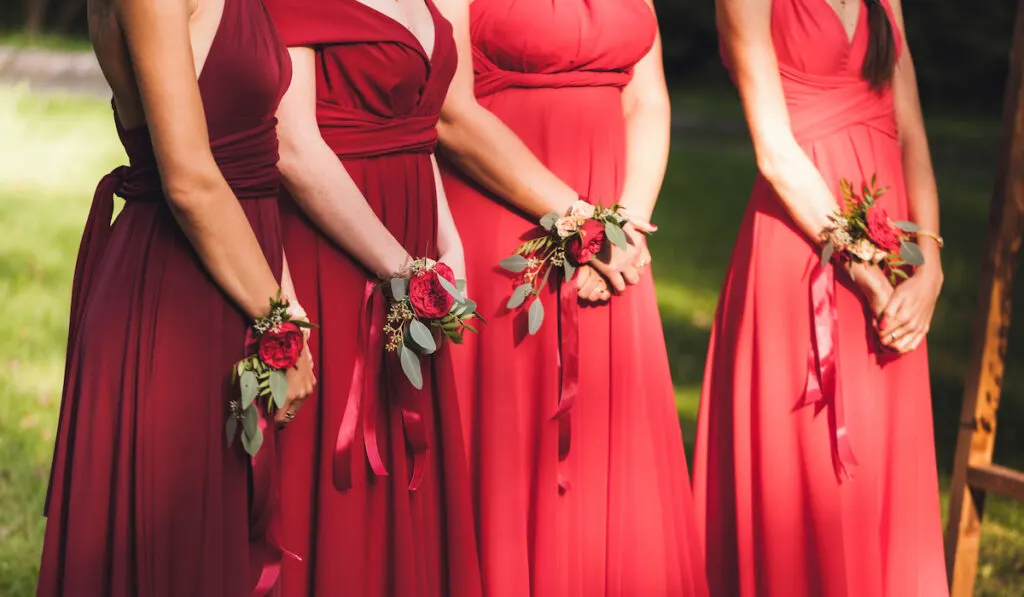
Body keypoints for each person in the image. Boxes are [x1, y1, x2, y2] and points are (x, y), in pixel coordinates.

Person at [37, 0, 316, 594]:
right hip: (173, 293)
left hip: (239, 272)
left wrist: (286, 306)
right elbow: (189, 180)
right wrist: (279, 322)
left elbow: (256, 166)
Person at [432, 0, 709, 593]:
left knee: (607, 453)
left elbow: (647, 98)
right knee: (513, 452)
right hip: (508, 225)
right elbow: (449, 112)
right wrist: (582, 223)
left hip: (615, 247)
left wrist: (626, 227)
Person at [693, 0, 948, 595]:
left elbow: (909, 128)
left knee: (886, 471)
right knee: (812, 473)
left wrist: (930, 264)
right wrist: (865, 270)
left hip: (896, 246)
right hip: (803, 238)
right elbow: (775, 152)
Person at [262, 0, 483, 595]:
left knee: (405, 457)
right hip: (334, 240)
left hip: (413, 240)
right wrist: (401, 268)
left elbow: (419, 128)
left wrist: (447, 244)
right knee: (341, 455)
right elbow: (293, 145)